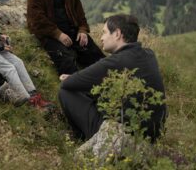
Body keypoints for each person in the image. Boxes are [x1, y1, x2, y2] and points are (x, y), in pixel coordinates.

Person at [58, 14, 167, 143]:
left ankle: (84, 140)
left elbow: (68, 84)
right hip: (154, 133)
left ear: (117, 34)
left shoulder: (115, 62)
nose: (101, 37)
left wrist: (75, 78)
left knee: (65, 92)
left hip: (127, 137)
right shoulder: (149, 54)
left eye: (104, 32)